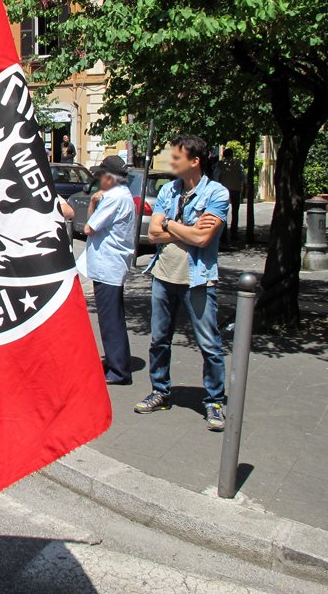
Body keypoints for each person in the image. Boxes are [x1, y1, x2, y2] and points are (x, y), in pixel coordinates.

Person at [136, 135, 230, 432]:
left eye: (176, 157)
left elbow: (204, 239)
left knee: (209, 344)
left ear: (194, 161)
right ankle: (161, 391)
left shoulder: (217, 193)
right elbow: (153, 235)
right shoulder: (168, 190)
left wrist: (169, 224)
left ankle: (214, 401)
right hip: (164, 274)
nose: (170, 162)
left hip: (198, 279)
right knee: (159, 339)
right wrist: (184, 228)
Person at [83, 155, 135, 385]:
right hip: (110, 264)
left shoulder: (114, 198)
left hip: (108, 265)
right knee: (111, 317)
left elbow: (88, 227)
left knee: (110, 319)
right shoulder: (122, 196)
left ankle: (118, 369)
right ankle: (116, 361)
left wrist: (94, 202)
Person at [217, 147, 246, 241]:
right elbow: (243, 177)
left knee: (223, 211)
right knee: (235, 212)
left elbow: (216, 176)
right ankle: (234, 232)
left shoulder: (220, 164)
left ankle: (223, 234)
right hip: (236, 189)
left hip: (224, 190)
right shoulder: (238, 164)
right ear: (232, 155)